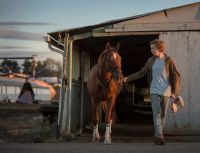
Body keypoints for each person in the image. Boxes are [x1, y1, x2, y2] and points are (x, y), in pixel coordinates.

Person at [124, 39, 181, 145]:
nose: (151, 50)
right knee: (156, 114)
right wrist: (128, 78)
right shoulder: (151, 60)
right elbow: (142, 72)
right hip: (154, 90)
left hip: (166, 92)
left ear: (159, 48)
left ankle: (158, 133)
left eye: (153, 48)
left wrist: (175, 93)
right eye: (150, 48)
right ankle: (159, 136)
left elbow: (176, 76)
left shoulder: (168, 60)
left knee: (163, 115)